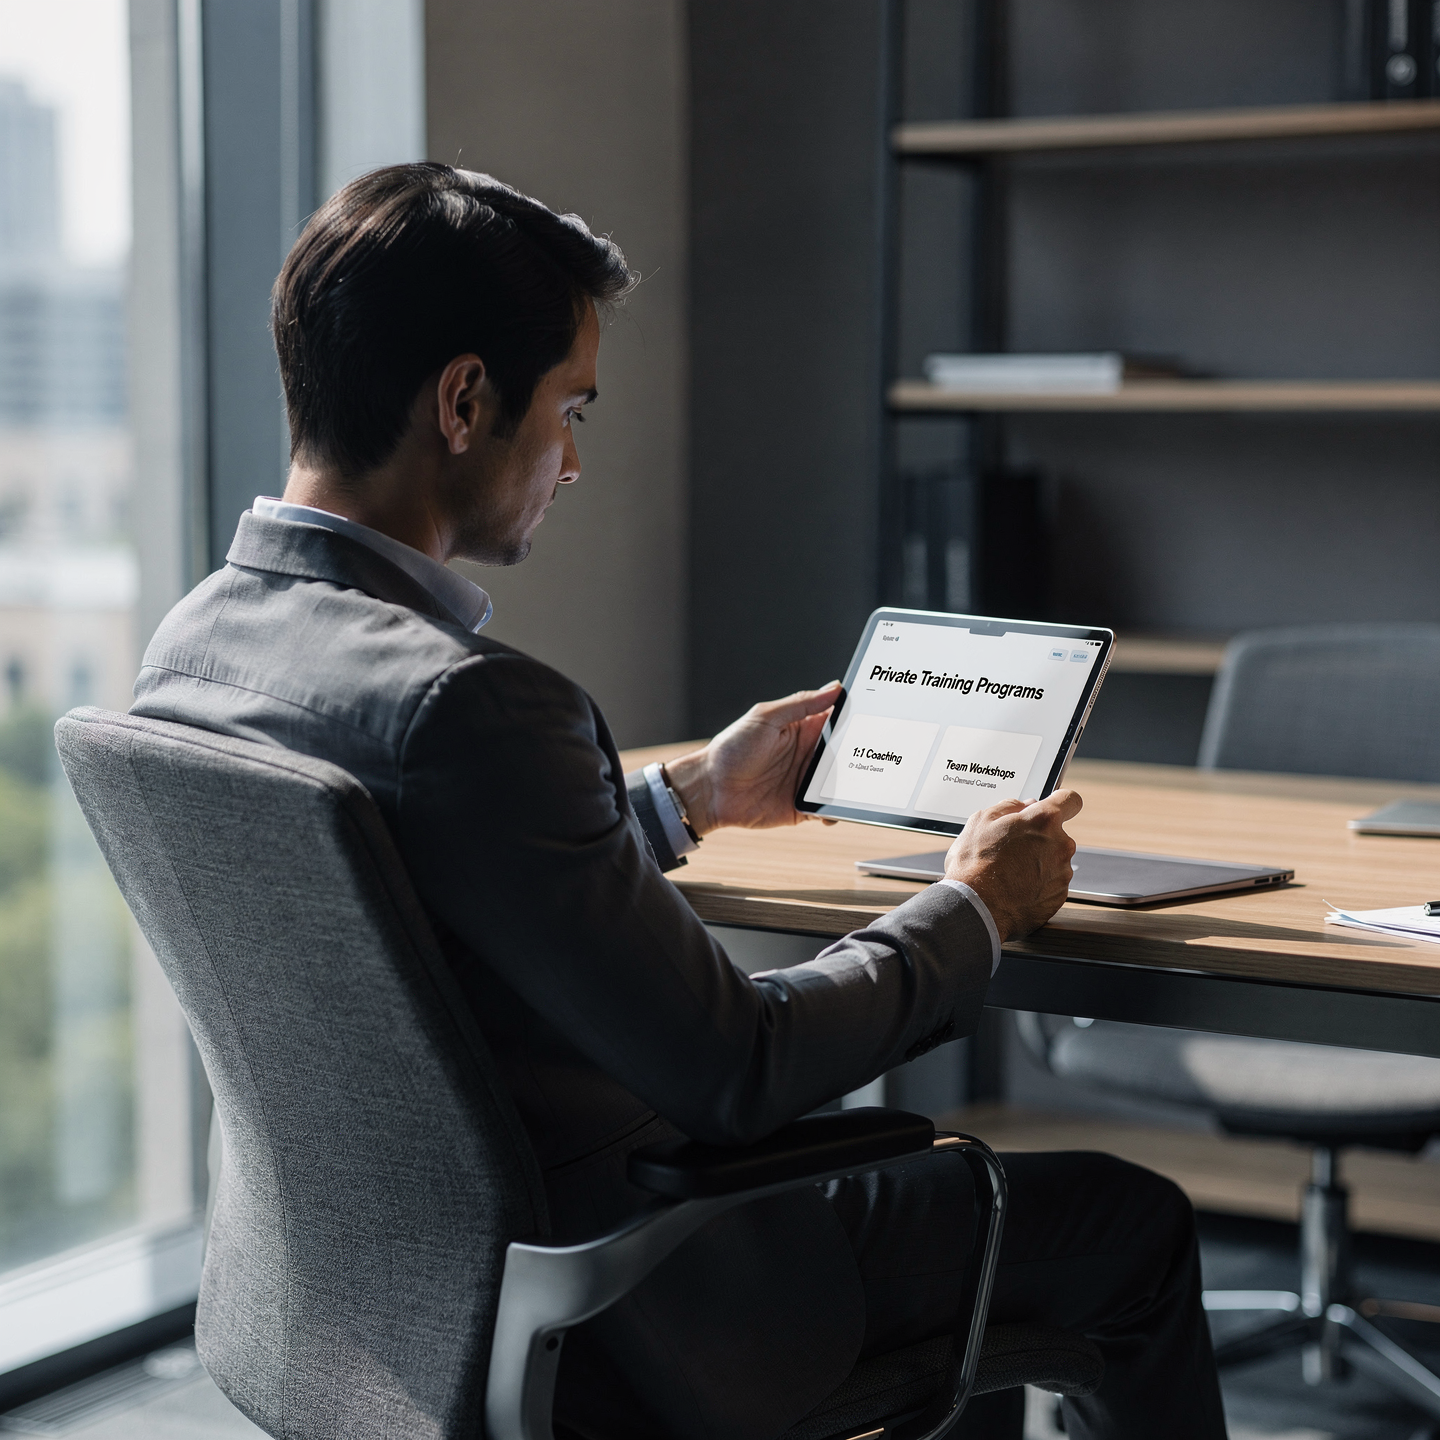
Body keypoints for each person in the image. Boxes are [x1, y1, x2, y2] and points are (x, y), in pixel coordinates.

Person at [131, 164, 1224, 1440]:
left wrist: (684, 799)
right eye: (571, 409)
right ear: (466, 400)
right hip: (644, 1302)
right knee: (1129, 1225)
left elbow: (430, 903)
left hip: (374, 1297)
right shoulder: (473, 707)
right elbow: (739, 1070)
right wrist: (972, 905)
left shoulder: (196, 649)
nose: (576, 460)